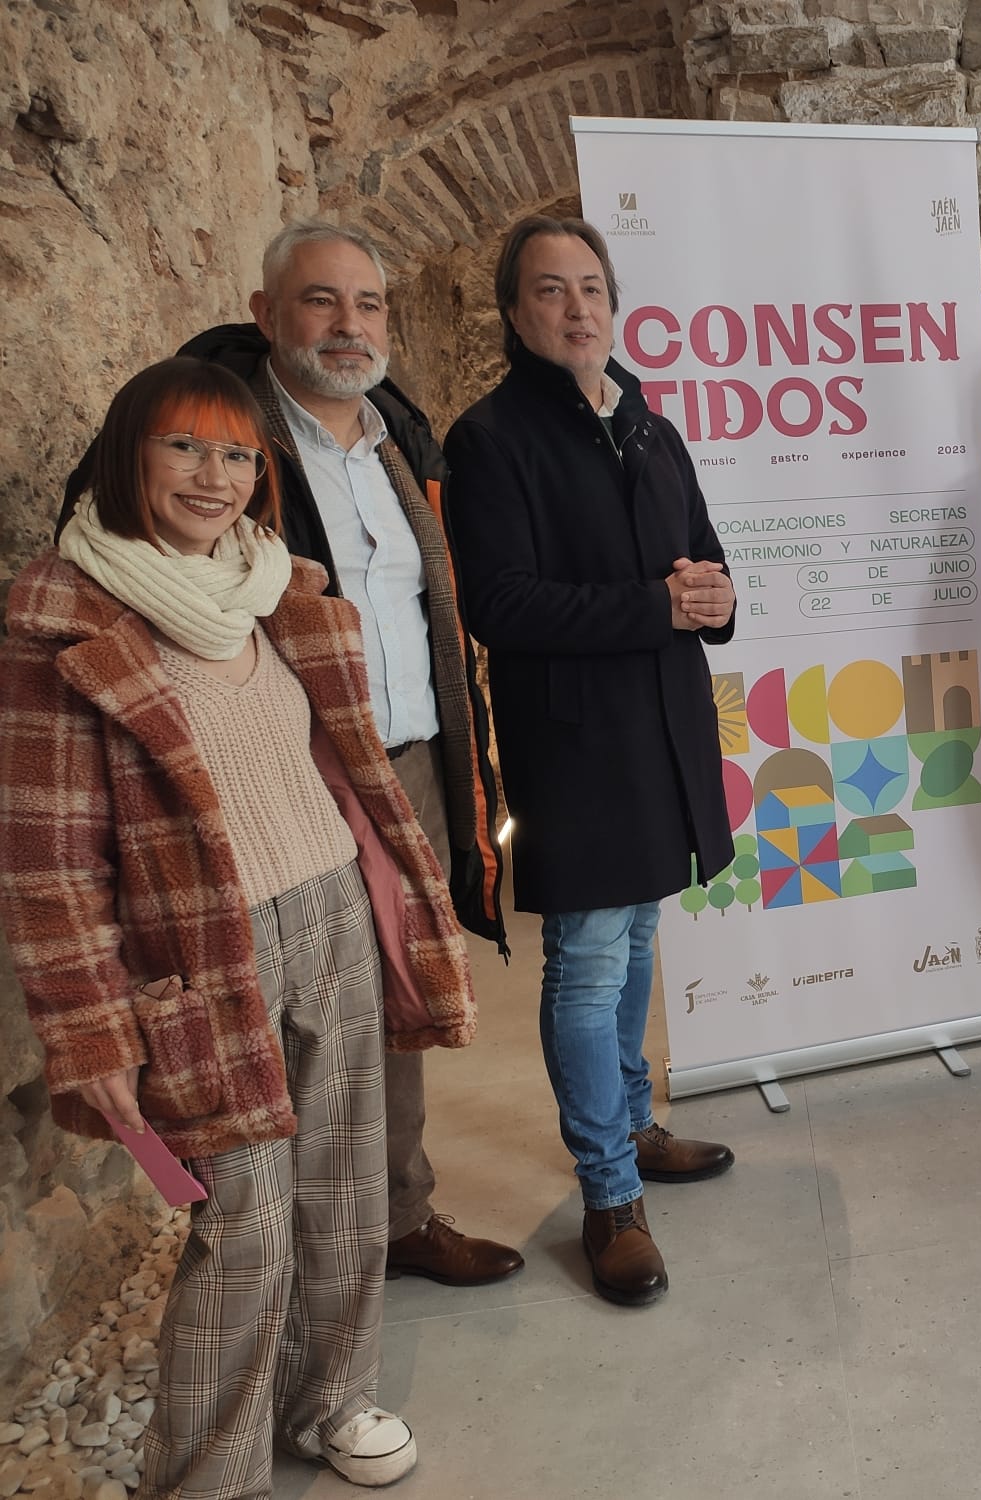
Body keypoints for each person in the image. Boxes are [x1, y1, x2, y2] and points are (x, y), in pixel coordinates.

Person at [0, 358, 477, 1493]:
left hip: (333, 914)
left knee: (348, 1183)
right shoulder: (60, 622)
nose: (213, 477)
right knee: (244, 1222)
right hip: (200, 956)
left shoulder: (274, 587)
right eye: (184, 448)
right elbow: (46, 861)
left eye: (235, 454)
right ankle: (210, 1473)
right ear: (129, 456)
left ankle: (333, 1401)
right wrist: (91, 1030)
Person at [59, 221, 522, 1288]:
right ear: (267, 316)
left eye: (368, 305)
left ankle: (394, 1217)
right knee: (282, 1018)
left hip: (408, 758)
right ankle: (282, 1252)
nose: (348, 326)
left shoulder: (399, 442)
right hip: (283, 772)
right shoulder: (219, 430)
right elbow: (121, 559)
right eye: (321, 301)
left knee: (394, 998)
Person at [443, 216, 736, 1308]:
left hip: (661, 729)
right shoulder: (491, 437)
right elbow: (498, 604)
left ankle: (632, 1123)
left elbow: (702, 557)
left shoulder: (651, 425)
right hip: (574, 745)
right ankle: (608, 1194)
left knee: (639, 930)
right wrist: (654, 603)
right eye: (550, 291)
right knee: (588, 958)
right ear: (515, 314)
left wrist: (717, 598)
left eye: (591, 289)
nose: (576, 309)